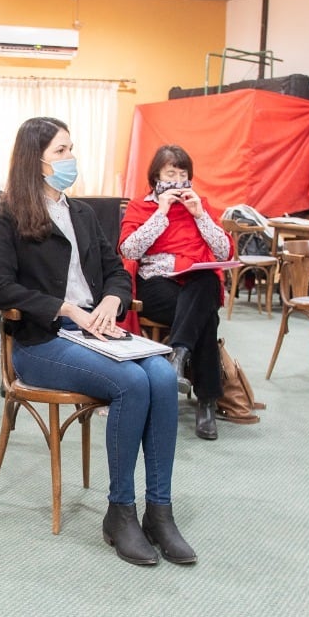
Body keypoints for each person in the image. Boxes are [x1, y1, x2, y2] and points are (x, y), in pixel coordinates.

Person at [0, 117, 194, 566]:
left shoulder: (81, 213)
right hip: (42, 341)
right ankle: (120, 511)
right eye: (61, 152)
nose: (70, 159)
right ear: (35, 160)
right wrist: (66, 308)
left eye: (71, 149)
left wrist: (113, 302)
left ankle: (160, 510)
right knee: (133, 384)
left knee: (160, 374)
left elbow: (116, 270)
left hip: (97, 331)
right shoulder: (10, 214)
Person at [120, 145, 232, 441]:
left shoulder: (200, 204)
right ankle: (207, 401)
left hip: (194, 280)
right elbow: (129, 249)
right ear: (156, 176)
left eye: (183, 174)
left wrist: (199, 216)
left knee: (207, 282)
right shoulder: (139, 206)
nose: (178, 180)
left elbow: (222, 252)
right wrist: (161, 212)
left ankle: (179, 355)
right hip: (155, 283)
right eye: (171, 173)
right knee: (205, 317)